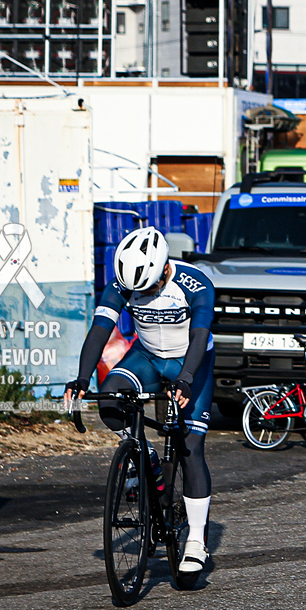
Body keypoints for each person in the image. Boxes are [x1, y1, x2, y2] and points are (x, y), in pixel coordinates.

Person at [67, 227, 216, 574]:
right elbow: (100, 330)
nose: (142, 294)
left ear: (165, 269)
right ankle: (144, 455)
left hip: (191, 361)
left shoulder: (196, 283)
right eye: (137, 291)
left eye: (148, 288)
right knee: (109, 402)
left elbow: (200, 336)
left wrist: (186, 379)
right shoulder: (123, 283)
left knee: (191, 446)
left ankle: (196, 540)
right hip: (147, 357)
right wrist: (82, 378)